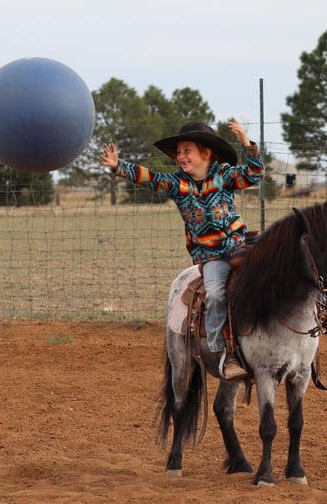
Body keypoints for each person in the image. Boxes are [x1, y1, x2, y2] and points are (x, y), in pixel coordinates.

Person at [100, 119, 264, 380]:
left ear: (206, 153)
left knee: (276, 271)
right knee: (215, 295)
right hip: (212, 257)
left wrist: (247, 144)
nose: (180, 156)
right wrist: (119, 166)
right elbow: (150, 178)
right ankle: (223, 353)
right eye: (178, 152)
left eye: (187, 150)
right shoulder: (178, 184)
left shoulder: (224, 176)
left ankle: (319, 317)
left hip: (240, 246)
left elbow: (255, 173)